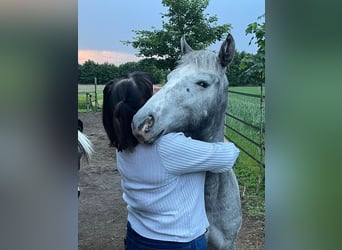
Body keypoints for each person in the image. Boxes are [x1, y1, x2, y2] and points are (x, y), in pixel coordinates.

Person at [102, 71, 240, 250]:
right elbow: (229, 154)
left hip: (137, 234)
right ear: (149, 106)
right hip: (178, 241)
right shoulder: (169, 146)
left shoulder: (122, 143)